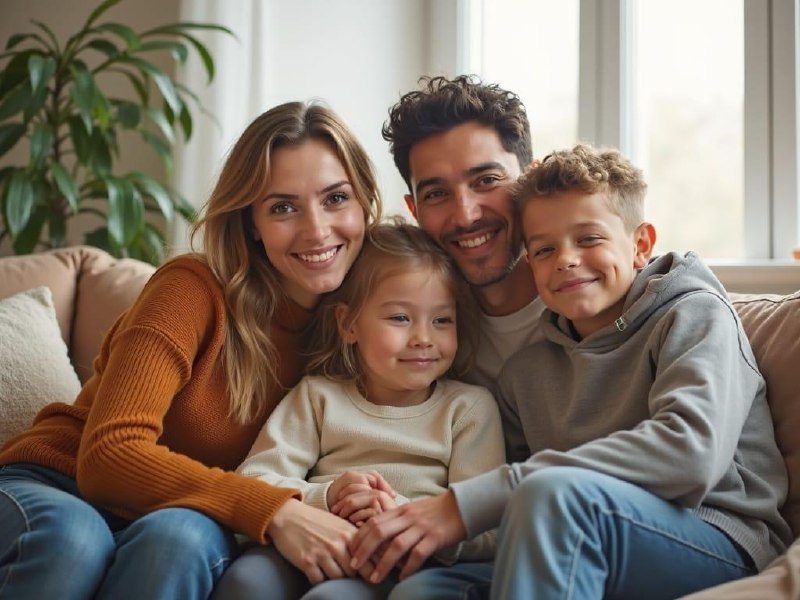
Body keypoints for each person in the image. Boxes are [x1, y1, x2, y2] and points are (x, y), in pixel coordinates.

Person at [355, 143, 794, 599]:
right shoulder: (525, 374)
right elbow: (514, 516)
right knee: (420, 592)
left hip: (715, 538)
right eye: (544, 249)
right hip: (579, 535)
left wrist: (477, 501)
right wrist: (402, 512)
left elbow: (690, 455)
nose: (565, 259)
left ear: (640, 244)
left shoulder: (695, 316)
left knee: (551, 496)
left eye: (588, 239)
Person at [0, 100, 382, 600]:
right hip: (56, 482)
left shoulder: (370, 320)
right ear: (251, 223)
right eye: (282, 207)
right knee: (74, 539)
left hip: (185, 514)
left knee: (180, 540)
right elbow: (110, 456)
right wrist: (277, 509)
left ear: (364, 204)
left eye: (336, 198)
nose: (316, 229)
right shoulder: (192, 289)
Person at [211, 221, 505, 600]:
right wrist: (329, 496)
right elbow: (255, 480)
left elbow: (488, 526)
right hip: (308, 543)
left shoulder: (468, 409)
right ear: (349, 323)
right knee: (246, 582)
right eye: (400, 318)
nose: (423, 338)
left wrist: (401, 516)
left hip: (407, 565)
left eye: (442, 320)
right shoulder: (318, 396)